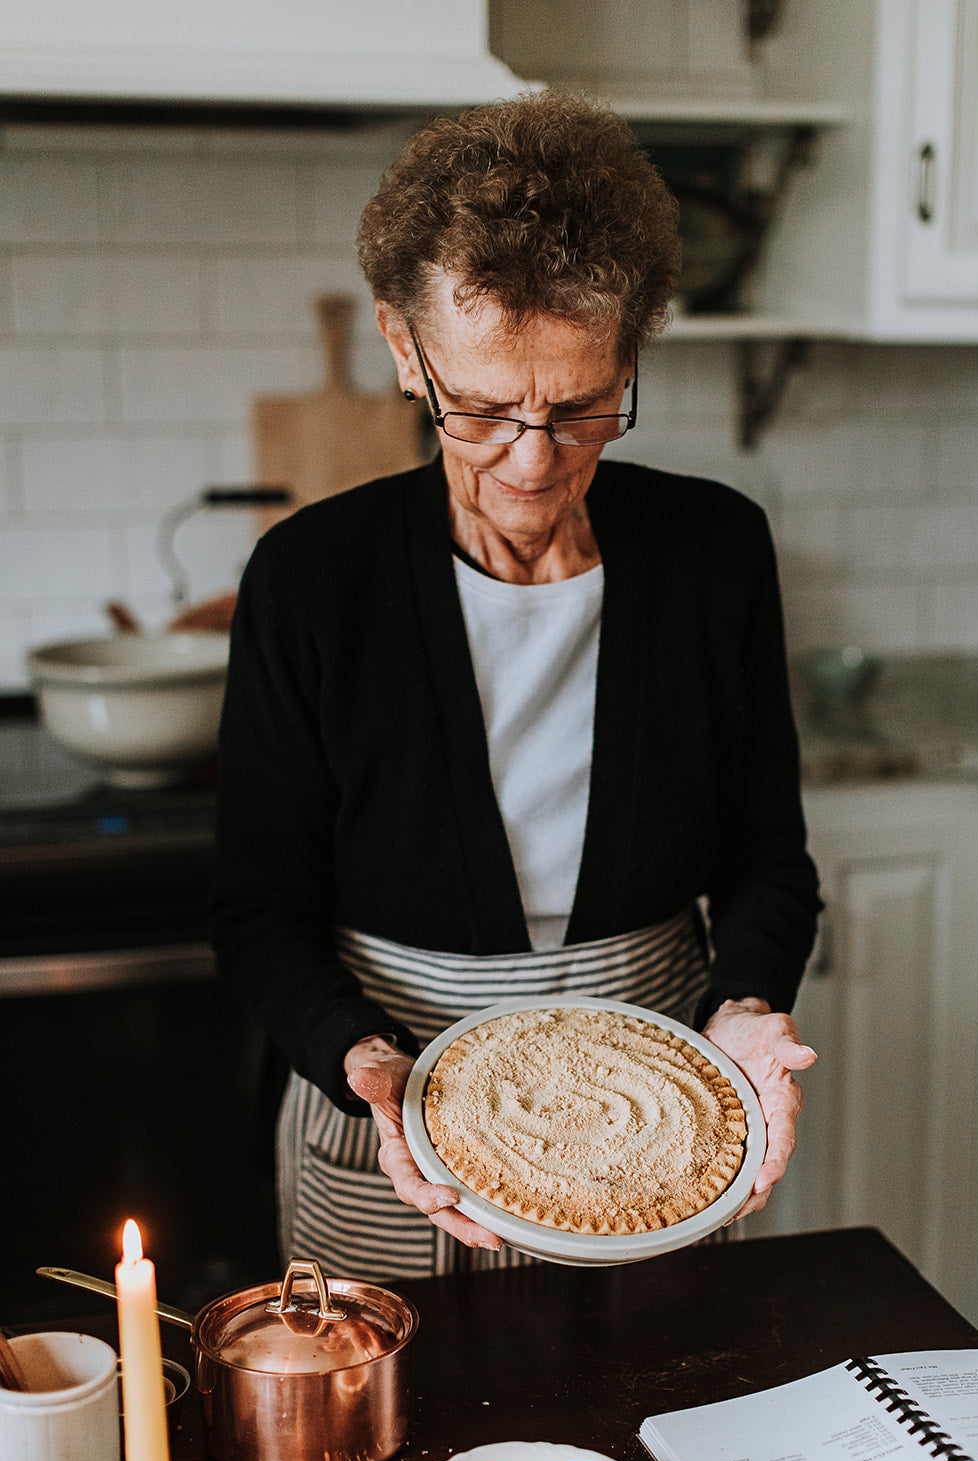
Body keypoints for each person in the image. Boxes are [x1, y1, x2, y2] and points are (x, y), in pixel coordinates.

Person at [210, 89, 821, 1281]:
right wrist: (370, 1065)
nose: (533, 461)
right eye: (482, 411)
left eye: (583, 405)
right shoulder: (311, 580)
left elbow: (766, 858)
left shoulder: (716, 552)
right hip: (383, 1119)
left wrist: (745, 1004)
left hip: (657, 1120)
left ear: (634, 348)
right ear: (405, 348)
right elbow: (257, 915)